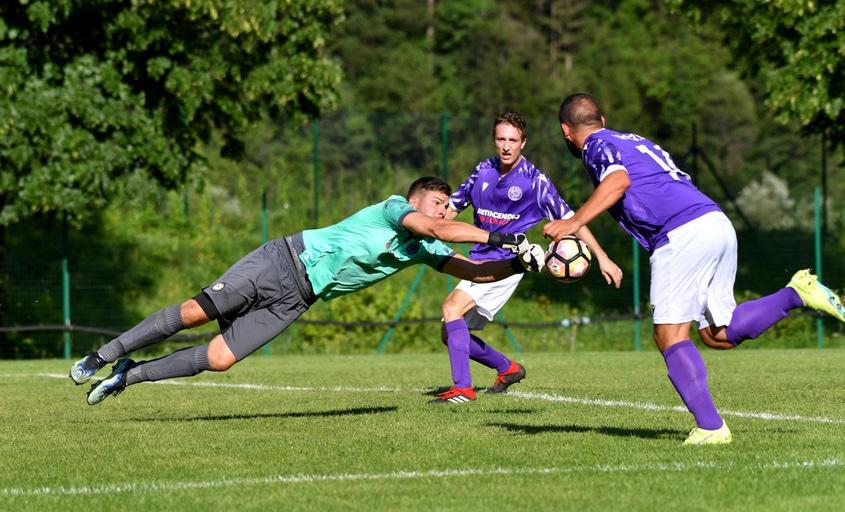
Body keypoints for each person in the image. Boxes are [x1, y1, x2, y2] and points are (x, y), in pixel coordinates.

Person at [70, 176, 547, 406]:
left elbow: (473, 271)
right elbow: (440, 232)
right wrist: (500, 236)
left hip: (299, 298)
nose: (445, 212)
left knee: (218, 359)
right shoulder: (394, 208)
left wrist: (517, 261)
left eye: (448, 206)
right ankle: (104, 353)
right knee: (194, 312)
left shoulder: (418, 249)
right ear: (417, 199)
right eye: (439, 204)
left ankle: (128, 376)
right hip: (281, 261)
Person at [545, 93, 845, 445]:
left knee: (669, 336)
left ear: (566, 131)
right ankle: (795, 294)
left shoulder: (596, 145)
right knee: (718, 334)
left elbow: (618, 182)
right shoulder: (635, 140)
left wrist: (573, 222)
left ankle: (711, 428)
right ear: (603, 118)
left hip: (681, 233)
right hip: (714, 221)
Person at [430, 111, 623, 405]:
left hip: (506, 264)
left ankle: (462, 390)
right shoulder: (483, 170)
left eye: (513, 140)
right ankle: (508, 368)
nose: (506, 146)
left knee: (451, 307)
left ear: (523, 143)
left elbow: (573, 220)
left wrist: (602, 257)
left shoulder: (535, 182)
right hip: (477, 260)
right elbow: (452, 210)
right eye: (501, 139)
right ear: (494, 140)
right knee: (450, 333)